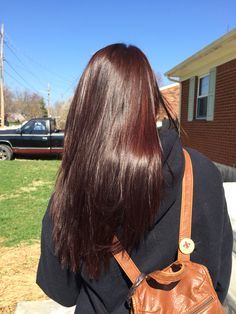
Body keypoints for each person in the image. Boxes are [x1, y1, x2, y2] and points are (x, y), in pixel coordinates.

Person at [36, 44, 233, 313]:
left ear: (85, 107)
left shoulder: (75, 185)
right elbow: (218, 282)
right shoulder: (204, 171)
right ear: (152, 101)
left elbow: (62, 290)